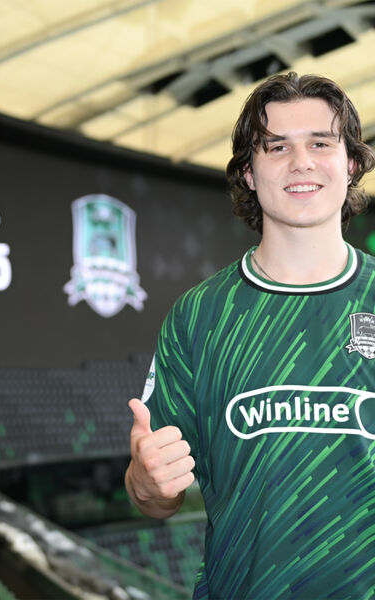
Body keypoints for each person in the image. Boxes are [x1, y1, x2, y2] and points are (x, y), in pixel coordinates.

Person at [125, 71, 375, 599]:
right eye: (277, 147)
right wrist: (146, 482)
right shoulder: (199, 316)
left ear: (351, 163)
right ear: (249, 173)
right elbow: (155, 497)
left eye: (321, 143)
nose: (301, 161)